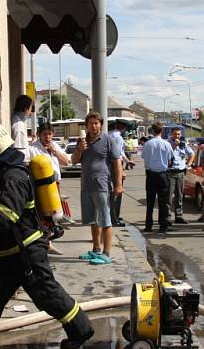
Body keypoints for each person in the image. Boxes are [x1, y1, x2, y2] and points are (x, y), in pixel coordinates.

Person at [0, 122, 94, 349]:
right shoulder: (8, 171)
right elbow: (10, 212)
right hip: (10, 249)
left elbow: (6, 218)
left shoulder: (13, 176)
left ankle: (81, 329)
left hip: (26, 251)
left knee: (46, 293)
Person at [71, 112, 123, 264]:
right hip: (86, 185)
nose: (93, 126)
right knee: (93, 220)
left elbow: (117, 163)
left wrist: (118, 184)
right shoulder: (82, 141)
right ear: (86, 126)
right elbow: (73, 161)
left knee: (105, 220)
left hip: (102, 185)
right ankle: (96, 249)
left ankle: (106, 253)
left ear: (100, 124)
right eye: (91, 124)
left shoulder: (108, 140)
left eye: (96, 123)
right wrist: (80, 149)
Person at [29, 122, 71, 253]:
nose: (48, 137)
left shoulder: (54, 146)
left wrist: (54, 151)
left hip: (55, 185)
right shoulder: (32, 148)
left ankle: (47, 243)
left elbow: (67, 162)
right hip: (41, 187)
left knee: (53, 216)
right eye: (45, 134)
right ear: (39, 135)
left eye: (50, 134)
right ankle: (45, 244)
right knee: (44, 216)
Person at [140, 121, 173, 233]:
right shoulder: (167, 144)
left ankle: (148, 225)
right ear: (162, 131)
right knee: (163, 201)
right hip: (163, 174)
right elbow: (170, 160)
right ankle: (163, 225)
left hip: (151, 174)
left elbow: (145, 158)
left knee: (150, 201)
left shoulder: (148, 144)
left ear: (152, 131)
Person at [167, 126, 194, 224]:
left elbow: (192, 154)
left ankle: (179, 216)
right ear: (171, 134)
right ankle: (168, 217)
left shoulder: (183, 144)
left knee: (179, 196)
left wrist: (188, 164)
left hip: (181, 172)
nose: (177, 136)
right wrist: (174, 145)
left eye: (178, 134)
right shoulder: (168, 144)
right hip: (170, 172)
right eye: (175, 134)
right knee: (169, 196)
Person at [109, 121, 129, 227]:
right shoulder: (118, 138)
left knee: (112, 194)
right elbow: (118, 156)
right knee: (116, 192)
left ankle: (114, 215)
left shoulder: (108, 135)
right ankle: (114, 218)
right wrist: (122, 171)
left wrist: (127, 161)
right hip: (116, 167)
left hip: (109, 167)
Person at [11, 94, 33, 163]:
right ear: (26, 108)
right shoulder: (18, 123)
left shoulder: (19, 120)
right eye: (30, 107)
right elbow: (19, 147)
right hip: (21, 161)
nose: (31, 110)